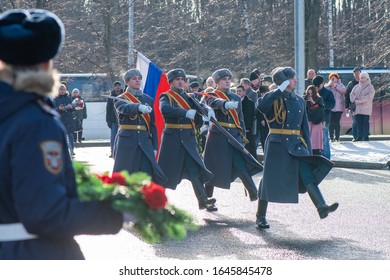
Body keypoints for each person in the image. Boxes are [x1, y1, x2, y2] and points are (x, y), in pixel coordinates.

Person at [0, 9, 123, 259]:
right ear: (46, 64)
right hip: (32, 254)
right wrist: (115, 213)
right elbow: (45, 214)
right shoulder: (35, 120)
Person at [255, 67, 338, 229]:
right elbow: (261, 107)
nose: (296, 81)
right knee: (268, 179)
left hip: (296, 144)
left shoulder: (300, 100)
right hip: (277, 143)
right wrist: (278, 89)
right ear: (284, 81)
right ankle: (260, 216)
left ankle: (321, 207)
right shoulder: (272, 98)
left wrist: (308, 150)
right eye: (293, 78)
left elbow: (304, 129)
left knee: (307, 174)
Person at [157, 68, 217, 211]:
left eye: (182, 79)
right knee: (165, 172)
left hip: (188, 138)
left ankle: (203, 201)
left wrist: (208, 110)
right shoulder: (166, 96)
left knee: (195, 170)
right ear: (171, 82)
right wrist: (185, 113)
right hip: (172, 138)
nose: (180, 81)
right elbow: (164, 109)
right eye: (177, 79)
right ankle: (156, 203)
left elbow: (199, 106)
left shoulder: (189, 96)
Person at [203, 69, 262, 206]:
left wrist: (242, 137)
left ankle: (253, 192)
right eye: (224, 79)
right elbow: (212, 102)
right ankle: (207, 198)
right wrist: (224, 104)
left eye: (229, 78)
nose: (228, 81)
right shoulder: (211, 94)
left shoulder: (236, 98)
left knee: (240, 164)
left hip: (234, 136)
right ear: (217, 82)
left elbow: (240, 120)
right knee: (211, 168)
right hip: (218, 136)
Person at [112, 69, 167, 185]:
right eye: (134, 78)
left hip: (144, 140)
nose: (137, 80)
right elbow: (124, 109)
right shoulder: (120, 98)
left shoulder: (148, 99)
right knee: (124, 173)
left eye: (139, 78)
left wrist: (154, 145)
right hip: (127, 140)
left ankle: (145, 200)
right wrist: (138, 108)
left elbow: (152, 124)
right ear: (127, 82)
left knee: (147, 172)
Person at [312, 75, 335, 159]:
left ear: (323, 84)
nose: (317, 87)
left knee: (324, 140)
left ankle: (326, 158)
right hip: (313, 120)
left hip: (324, 119)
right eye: (315, 85)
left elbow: (332, 105)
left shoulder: (328, 93)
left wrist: (320, 104)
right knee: (314, 140)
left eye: (318, 85)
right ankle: (317, 157)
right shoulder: (311, 92)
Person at [350, 72, 375, 141]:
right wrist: (355, 99)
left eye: (364, 77)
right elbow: (351, 95)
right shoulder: (356, 86)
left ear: (367, 78)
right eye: (361, 77)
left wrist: (358, 101)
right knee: (359, 123)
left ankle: (366, 137)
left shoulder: (370, 87)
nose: (363, 79)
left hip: (366, 109)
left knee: (365, 123)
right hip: (358, 109)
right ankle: (359, 136)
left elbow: (369, 97)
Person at [54, 83, 76, 156]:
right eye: (60, 89)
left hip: (69, 119)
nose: (62, 91)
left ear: (65, 90)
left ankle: (72, 150)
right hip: (60, 119)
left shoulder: (69, 98)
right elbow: (52, 109)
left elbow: (74, 109)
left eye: (63, 89)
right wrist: (58, 108)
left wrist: (71, 107)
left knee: (70, 136)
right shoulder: (55, 99)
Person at [236, 85, 256, 158]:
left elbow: (250, 116)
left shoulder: (249, 102)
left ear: (244, 92)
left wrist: (246, 128)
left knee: (249, 148)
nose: (238, 93)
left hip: (247, 129)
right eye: (237, 91)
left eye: (240, 91)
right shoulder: (235, 102)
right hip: (238, 128)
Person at [325, 72, 346, 142]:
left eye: (335, 78)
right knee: (331, 122)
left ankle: (337, 137)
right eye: (331, 78)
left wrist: (336, 86)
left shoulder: (340, 84)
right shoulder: (327, 85)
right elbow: (324, 90)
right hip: (330, 107)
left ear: (337, 78)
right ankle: (331, 137)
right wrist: (329, 85)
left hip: (338, 107)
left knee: (337, 122)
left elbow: (344, 91)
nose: (333, 79)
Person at [304, 85, 325, 155]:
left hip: (317, 122)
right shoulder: (305, 100)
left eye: (312, 93)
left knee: (315, 141)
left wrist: (313, 102)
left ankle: (316, 154)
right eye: (308, 93)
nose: (310, 95)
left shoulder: (319, 99)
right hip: (308, 122)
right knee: (309, 140)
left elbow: (321, 110)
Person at [106, 81, 123, 158]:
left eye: (119, 85)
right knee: (113, 137)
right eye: (116, 86)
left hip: (123, 120)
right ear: (114, 87)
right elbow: (108, 110)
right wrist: (108, 120)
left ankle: (121, 152)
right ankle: (113, 152)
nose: (117, 87)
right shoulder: (111, 97)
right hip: (113, 120)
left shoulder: (124, 95)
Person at [345, 67, 361, 141]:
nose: (357, 74)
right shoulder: (350, 84)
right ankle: (355, 136)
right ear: (353, 74)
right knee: (355, 122)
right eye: (355, 73)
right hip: (353, 106)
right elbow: (347, 95)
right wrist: (346, 106)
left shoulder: (364, 82)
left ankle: (362, 136)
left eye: (358, 73)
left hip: (363, 106)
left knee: (363, 121)